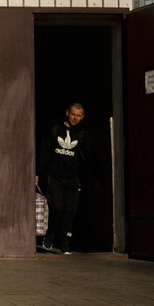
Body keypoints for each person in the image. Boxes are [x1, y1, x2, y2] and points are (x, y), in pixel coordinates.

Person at [36, 102, 97, 254]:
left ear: (82, 117)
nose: (75, 118)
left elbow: (89, 157)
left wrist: (96, 177)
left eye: (79, 116)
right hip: (55, 176)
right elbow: (44, 151)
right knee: (57, 207)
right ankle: (50, 235)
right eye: (73, 115)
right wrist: (37, 172)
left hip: (72, 178)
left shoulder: (83, 134)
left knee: (70, 210)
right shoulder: (55, 129)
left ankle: (65, 243)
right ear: (67, 113)